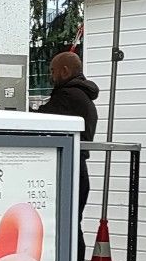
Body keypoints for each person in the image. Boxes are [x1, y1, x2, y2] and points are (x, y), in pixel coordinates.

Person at [35, 51, 99, 214]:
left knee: (67, 225)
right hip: (79, 168)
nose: (51, 76)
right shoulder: (82, 95)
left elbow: (42, 120)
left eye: (52, 71)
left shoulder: (67, 95)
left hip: (70, 169)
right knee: (73, 226)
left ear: (64, 71)